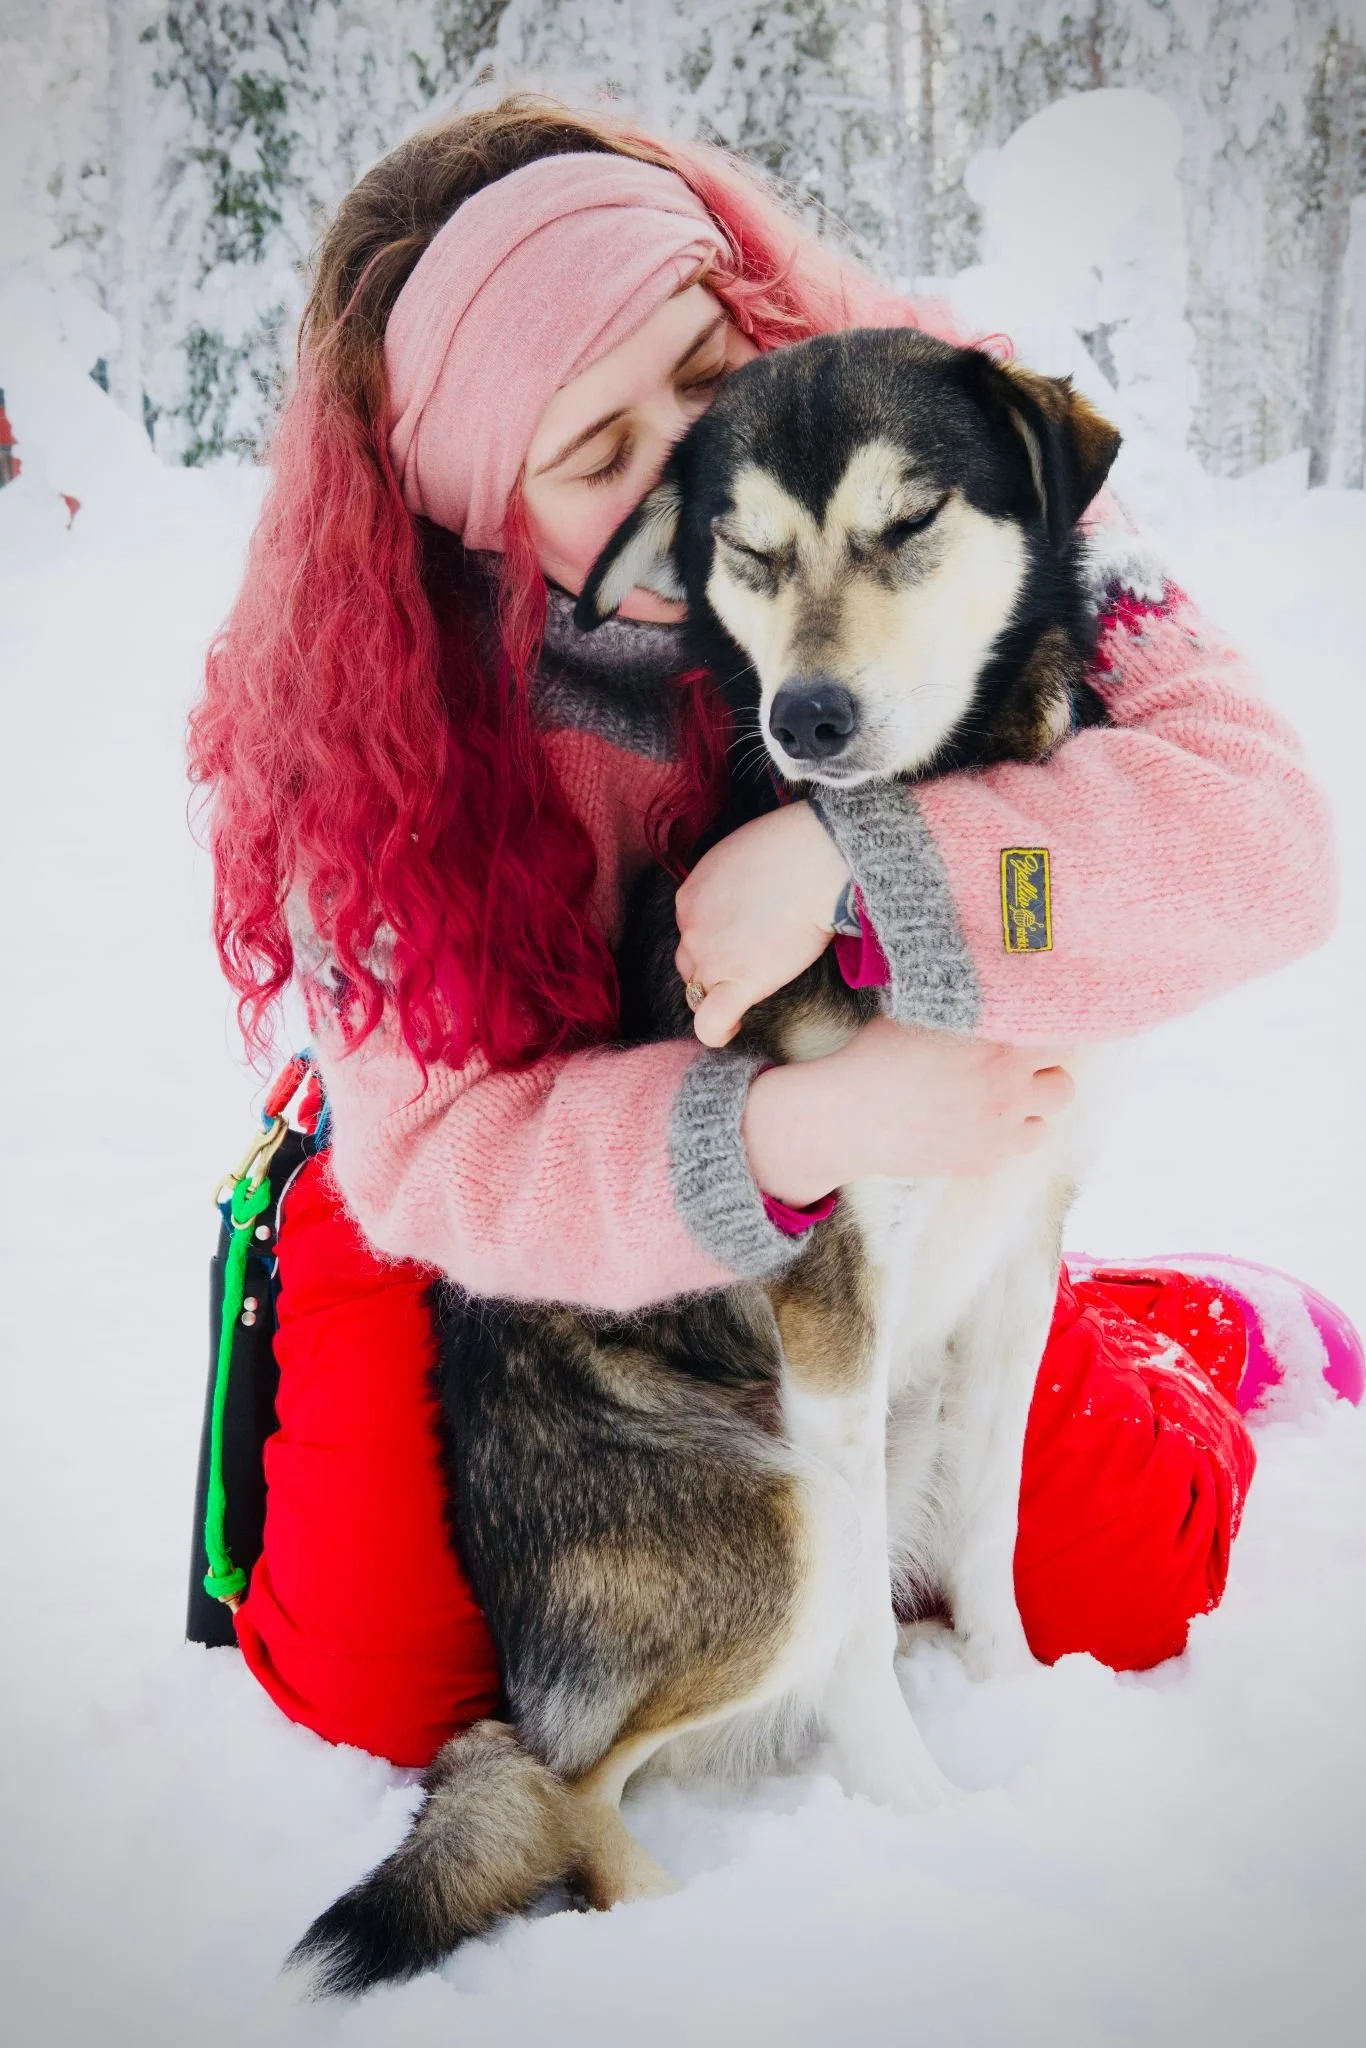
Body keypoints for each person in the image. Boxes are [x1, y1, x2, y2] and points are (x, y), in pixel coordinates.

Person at [186, 96, 1341, 1769]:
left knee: (1127, 1581)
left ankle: (1177, 1320)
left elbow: (1256, 842)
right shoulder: (361, 728)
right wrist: (781, 1132)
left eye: (704, 354)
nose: (693, 452)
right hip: (503, 1181)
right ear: (473, 518)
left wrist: (864, 865)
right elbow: (443, 1156)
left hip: (909, 1126)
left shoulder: (926, 438)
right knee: (383, 1682)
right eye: (593, 454)